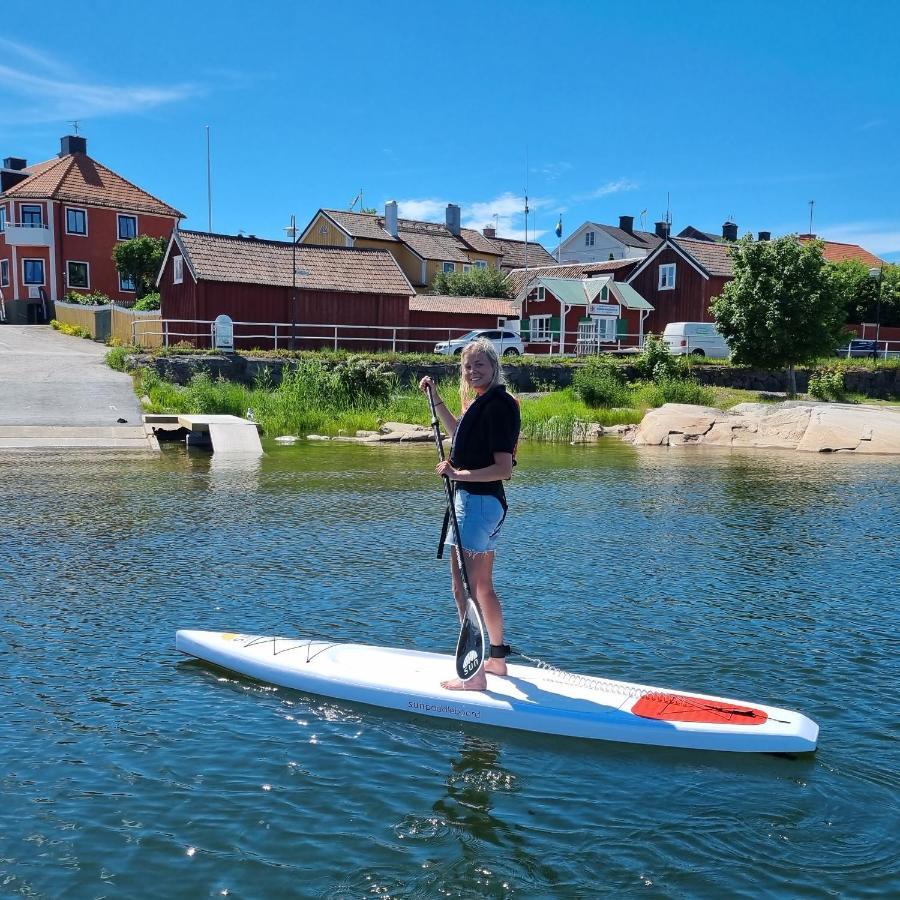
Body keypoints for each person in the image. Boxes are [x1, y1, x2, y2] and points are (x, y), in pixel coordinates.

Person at [419, 339, 521, 691]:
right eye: (467, 366)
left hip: (476, 505)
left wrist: (458, 475)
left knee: (464, 591)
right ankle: (496, 660)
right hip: (486, 506)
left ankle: (474, 675)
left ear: (494, 366)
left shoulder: (498, 406)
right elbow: (457, 436)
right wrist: (435, 399)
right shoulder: (485, 403)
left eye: (479, 364)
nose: (473, 370)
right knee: (483, 587)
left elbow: (503, 468)